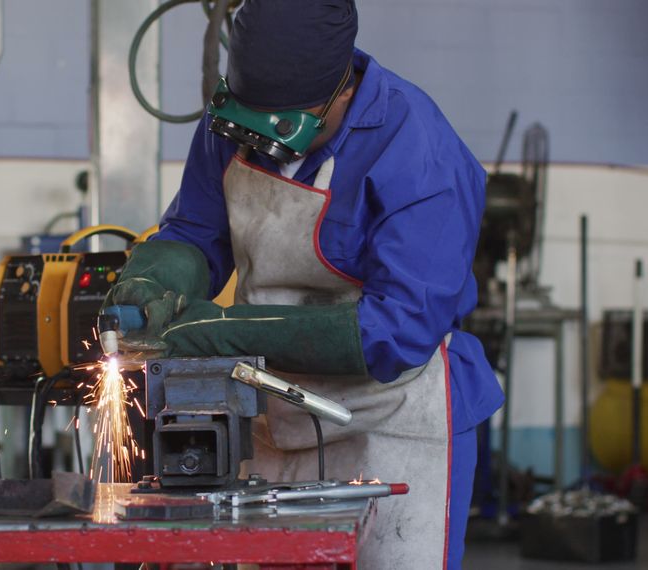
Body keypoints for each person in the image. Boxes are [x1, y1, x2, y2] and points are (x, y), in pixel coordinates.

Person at [104, 1, 503, 568]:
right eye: (249, 120)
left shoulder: (419, 151)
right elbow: (196, 228)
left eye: (285, 126)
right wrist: (155, 275)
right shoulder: (238, 121)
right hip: (277, 419)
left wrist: (224, 331)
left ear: (342, 92)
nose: (263, 144)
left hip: (392, 421)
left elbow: (397, 330)